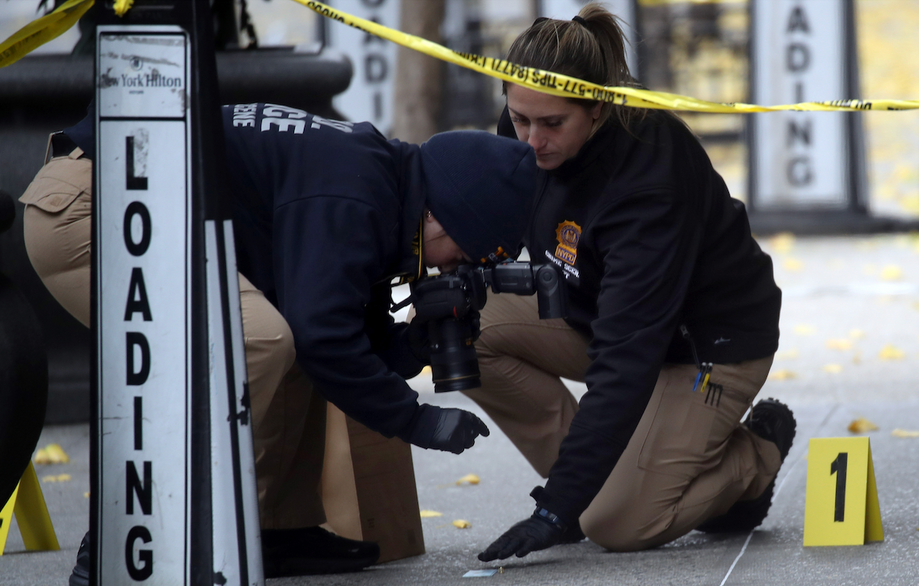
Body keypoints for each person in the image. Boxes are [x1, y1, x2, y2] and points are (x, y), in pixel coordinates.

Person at [19, 102, 538, 580]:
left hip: (126, 203)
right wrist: (416, 419)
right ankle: (129, 531)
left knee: (284, 332)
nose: (452, 269)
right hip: (92, 208)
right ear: (437, 212)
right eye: (462, 256)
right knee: (259, 338)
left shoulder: (381, 184)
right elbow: (324, 337)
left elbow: (339, 332)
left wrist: (414, 344)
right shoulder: (353, 192)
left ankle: (274, 530)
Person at [468, 5, 796, 562]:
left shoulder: (648, 184)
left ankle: (752, 460)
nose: (529, 141)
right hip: (597, 313)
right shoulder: (530, 125)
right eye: (519, 118)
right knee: (462, 329)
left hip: (702, 349)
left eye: (551, 125)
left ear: (597, 107)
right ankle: (601, 476)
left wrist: (555, 510)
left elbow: (626, 360)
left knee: (617, 525)